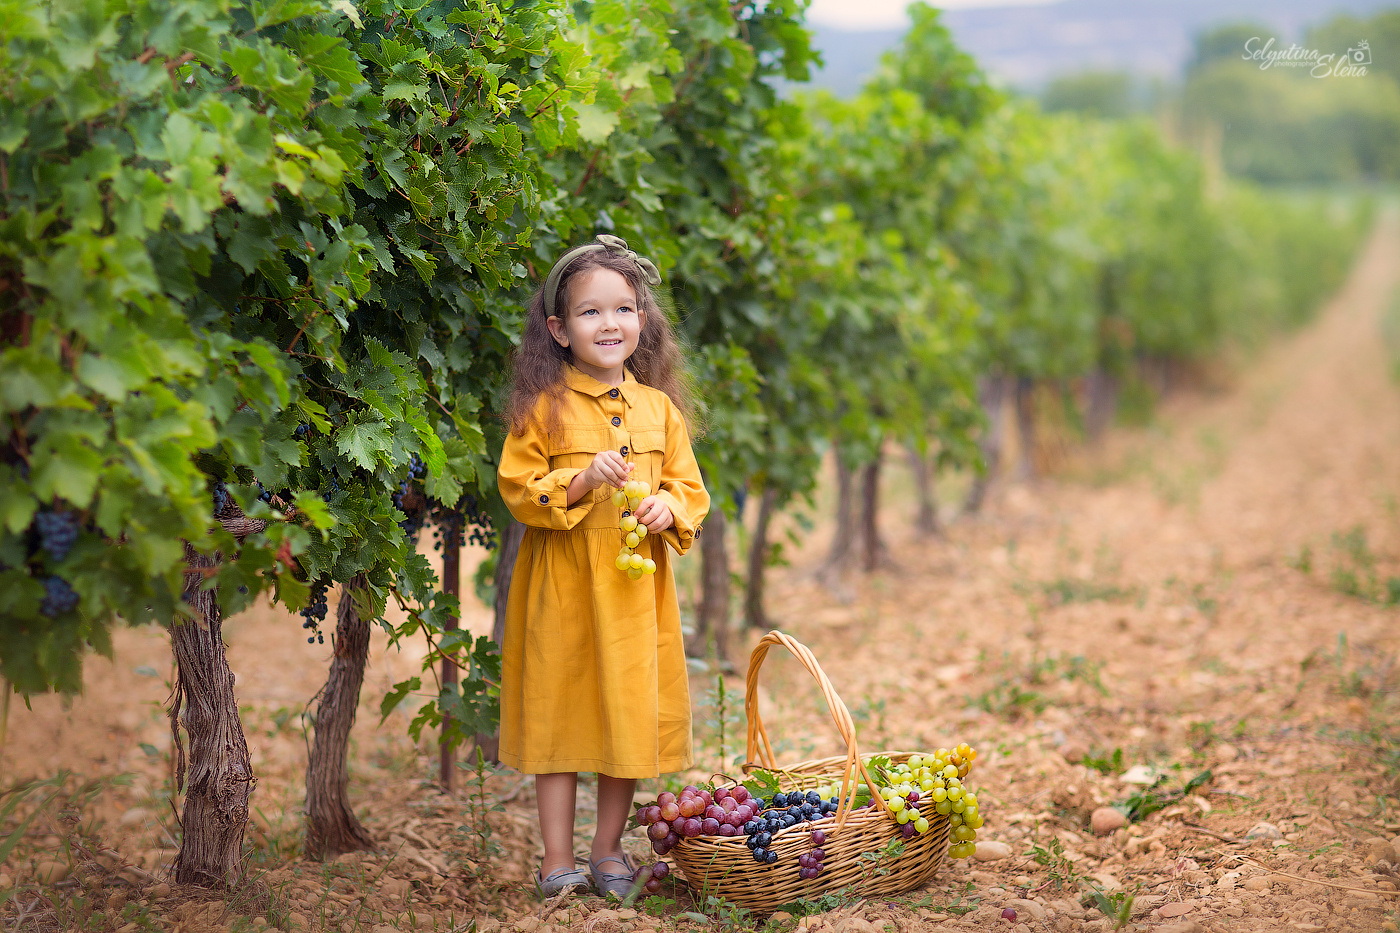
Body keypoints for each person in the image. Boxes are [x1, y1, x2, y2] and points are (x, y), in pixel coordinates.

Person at [497, 235, 711, 898]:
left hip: (632, 589)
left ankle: (608, 850)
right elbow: (518, 488)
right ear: (559, 330)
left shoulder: (660, 409)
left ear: (642, 320)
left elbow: (690, 490)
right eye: (590, 312)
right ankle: (556, 859)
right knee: (559, 710)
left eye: (622, 309)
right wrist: (584, 479)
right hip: (562, 586)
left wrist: (667, 508)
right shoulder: (542, 407)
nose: (609, 323)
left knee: (627, 713)